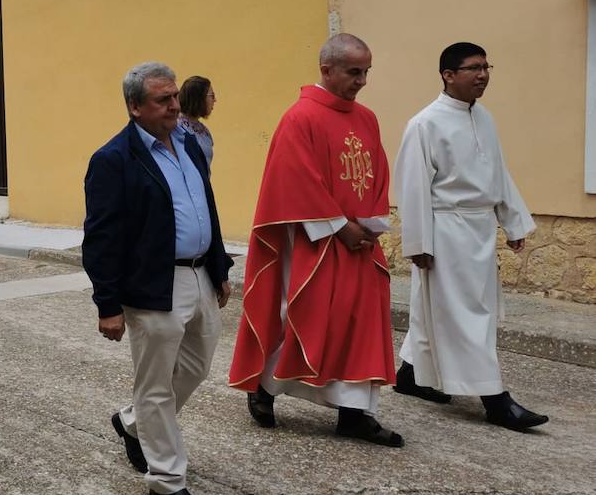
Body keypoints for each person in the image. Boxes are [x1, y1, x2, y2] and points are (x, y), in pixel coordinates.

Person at [228, 34, 402, 447]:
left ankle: (355, 412)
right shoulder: (300, 118)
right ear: (327, 70)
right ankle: (265, 389)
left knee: (360, 324)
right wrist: (341, 226)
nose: (362, 81)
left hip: (360, 243)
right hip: (316, 241)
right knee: (305, 317)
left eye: (366, 72)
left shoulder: (367, 118)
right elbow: (295, 180)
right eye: (354, 72)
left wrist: (370, 224)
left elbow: (377, 173)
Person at [84, 62, 233, 495]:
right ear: (134, 107)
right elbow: (101, 237)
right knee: (154, 385)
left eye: (174, 96)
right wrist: (107, 304)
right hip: (152, 284)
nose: (174, 106)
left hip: (199, 277)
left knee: (196, 366)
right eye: (162, 100)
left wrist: (219, 264)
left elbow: (206, 206)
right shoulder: (113, 159)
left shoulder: (188, 143)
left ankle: (132, 423)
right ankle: (167, 480)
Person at [393, 42, 547, 431]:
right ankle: (495, 399)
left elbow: (497, 172)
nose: (483, 75)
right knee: (468, 317)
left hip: (478, 229)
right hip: (445, 233)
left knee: (437, 310)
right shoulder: (424, 124)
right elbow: (412, 188)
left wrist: (511, 222)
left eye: (486, 66)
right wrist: (419, 245)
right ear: (448, 74)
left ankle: (410, 375)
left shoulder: (485, 119)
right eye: (473, 68)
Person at [176, 76, 215, 168]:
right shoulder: (175, 127)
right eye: (212, 96)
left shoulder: (205, 131)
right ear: (199, 97)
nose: (215, 100)